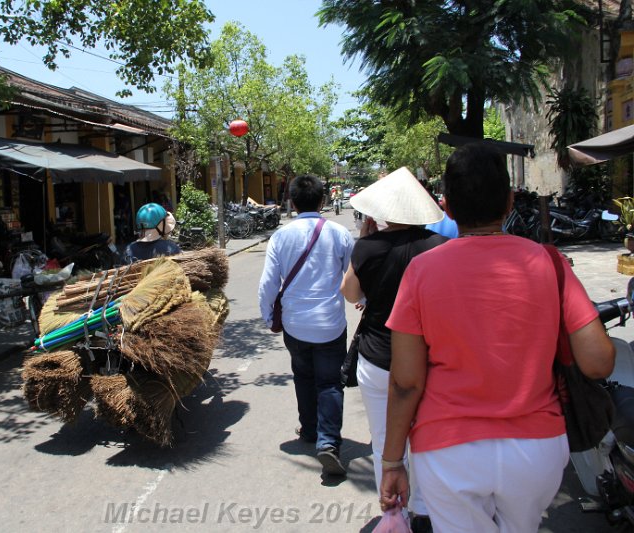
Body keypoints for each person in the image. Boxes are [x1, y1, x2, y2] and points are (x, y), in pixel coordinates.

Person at [380, 143, 616, 531]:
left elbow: (406, 382)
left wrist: (392, 461)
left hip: (448, 450)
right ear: (509, 202)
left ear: (447, 207)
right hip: (536, 448)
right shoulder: (550, 262)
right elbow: (598, 361)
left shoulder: (421, 272)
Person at [340, 167, 448, 532]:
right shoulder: (439, 246)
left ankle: (394, 511)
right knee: (425, 437)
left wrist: (363, 244)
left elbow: (351, 294)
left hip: (378, 356)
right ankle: (424, 510)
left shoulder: (368, 247)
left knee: (384, 441)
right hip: (428, 357)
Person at [258, 175, 354, 475]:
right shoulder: (340, 233)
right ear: (322, 200)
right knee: (330, 383)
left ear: (292, 202)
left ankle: (310, 429)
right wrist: (361, 300)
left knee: (303, 376)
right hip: (330, 324)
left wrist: (268, 317)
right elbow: (353, 277)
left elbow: (268, 283)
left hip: (294, 324)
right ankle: (328, 442)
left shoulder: (280, 236)